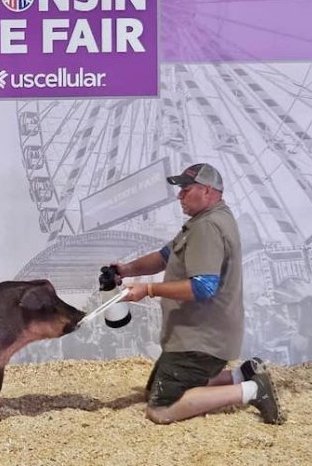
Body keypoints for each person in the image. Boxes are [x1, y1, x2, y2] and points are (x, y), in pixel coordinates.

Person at [113, 163, 285, 424]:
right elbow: (164, 256)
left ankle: (252, 390)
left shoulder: (207, 227)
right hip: (196, 334)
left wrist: (148, 290)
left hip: (201, 340)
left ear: (207, 190)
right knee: (153, 391)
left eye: (186, 189)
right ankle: (241, 375)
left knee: (161, 409)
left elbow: (202, 287)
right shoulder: (204, 221)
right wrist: (127, 269)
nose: (179, 195)